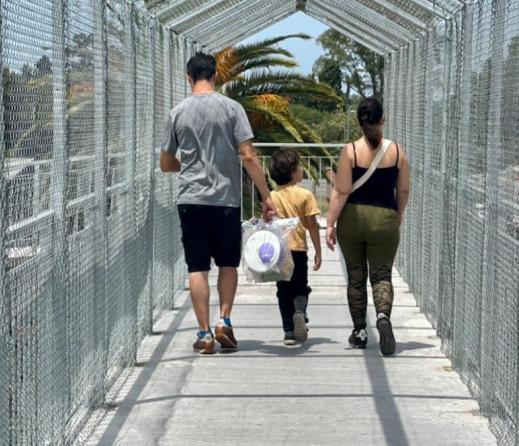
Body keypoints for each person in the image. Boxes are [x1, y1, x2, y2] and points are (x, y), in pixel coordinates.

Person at [160, 52, 276, 355]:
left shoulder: (177, 113)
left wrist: (186, 166)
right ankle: (224, 320)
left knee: (197, 267)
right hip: (225, 200)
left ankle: (204, 333)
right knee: (227, 263)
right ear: (215, 76)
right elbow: (249, 156)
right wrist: (266, 195)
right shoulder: (232, 108)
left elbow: (165, 163)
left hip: (191, 200)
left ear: (189, 78)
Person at [325, 97, 410, 356]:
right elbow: (404, 189)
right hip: (384, 219)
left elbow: (341, 191)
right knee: (382, 275)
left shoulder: (350, 151)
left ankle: (360, 331)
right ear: (382, 120)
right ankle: (383, 316)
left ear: (359, 123)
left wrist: (329, 224)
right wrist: (398, 212)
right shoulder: (397, 152)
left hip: (352, 219)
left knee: (356, 275)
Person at [268, 148, 322, 346]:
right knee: (301, 286)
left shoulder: (271, 197)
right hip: (298, 250)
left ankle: (289, 332)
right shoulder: (305, 195)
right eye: (299, 166)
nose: (302, 170)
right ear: (292, 172)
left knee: (283, 290)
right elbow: (312, 225)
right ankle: (300, 311)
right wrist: (318, 250)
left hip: (278, 252)